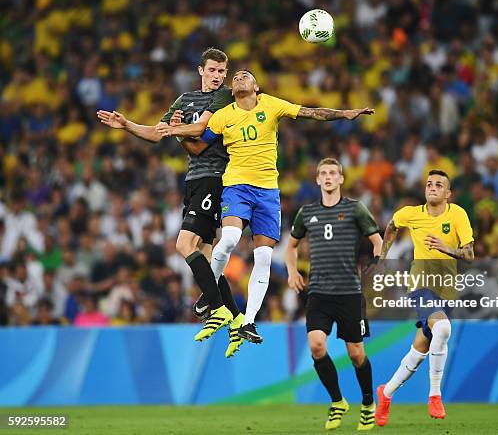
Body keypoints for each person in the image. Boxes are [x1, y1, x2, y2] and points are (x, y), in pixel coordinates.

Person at [160, 69, 374, 344]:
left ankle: (247, 322)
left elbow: (311, 112)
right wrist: (175, 132)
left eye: (245, 75)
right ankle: (210, 294)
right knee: (230, 238)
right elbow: (199, 146)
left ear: (256, 86)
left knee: (262, 257)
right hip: (236, 186)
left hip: (268, 193)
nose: (238, 77)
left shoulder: (271, 104)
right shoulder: (224, 115)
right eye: (235, 76)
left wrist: (344, 114)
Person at [97, 48, 244, 358]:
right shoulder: (185, 98)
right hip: (193, 182)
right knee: (206, 257)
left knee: (184, 243)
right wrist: (127, 125)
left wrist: (175, 131)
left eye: (222, 71)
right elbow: (155, 133)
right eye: (213, 70)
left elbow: (199, 134)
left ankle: (217, 309)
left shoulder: (223, 99)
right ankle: (237, 320)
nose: (218, 76)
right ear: (201, 70)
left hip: (214, 178)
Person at [285, 158, 382, 431]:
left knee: (356, 354)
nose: (328, 177)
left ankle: (367, 404)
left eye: (333, 173)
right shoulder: (307, 213)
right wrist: (292, 272)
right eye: (323, 173)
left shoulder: (355, 209)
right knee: (316, 346)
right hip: (318, 292)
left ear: (341, 179)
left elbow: (377, 242)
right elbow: (290, 247)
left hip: (349, 292)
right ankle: (338, 401)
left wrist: (375, 269)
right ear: (317, 180)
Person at [375, 170, 474, 425]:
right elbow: (392, 226)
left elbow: (470, 254)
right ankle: (435, 395)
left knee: (421, 348)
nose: (432, 187)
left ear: (448, 194)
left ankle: (385, 394)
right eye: (429, 183)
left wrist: (446, 248)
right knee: (442, 327)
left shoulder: (457, 215)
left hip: (447, 289)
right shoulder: (411, 213)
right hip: (420, 284)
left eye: (439, 185)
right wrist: (382, 259)